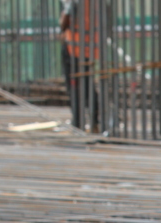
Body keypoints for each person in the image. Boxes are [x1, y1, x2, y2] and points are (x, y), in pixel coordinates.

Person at [59, 0, 99, 132]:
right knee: (88, 85)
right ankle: (94, 122)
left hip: (73, 48)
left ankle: (78, 122)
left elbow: (64, 22)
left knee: (74, 87)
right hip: (89, 48)